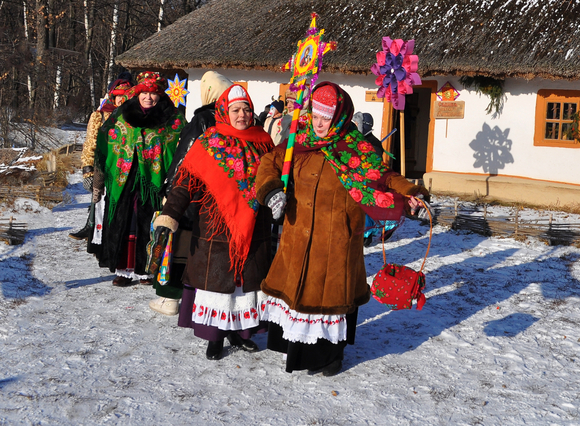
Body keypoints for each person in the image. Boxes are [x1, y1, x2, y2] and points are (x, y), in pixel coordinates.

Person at [255, 82, 428, 376]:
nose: (320, 123)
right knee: (298, 292)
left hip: (337, 237)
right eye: (316, 115)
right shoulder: (298, 140)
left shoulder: (355, 147)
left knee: (332, 297)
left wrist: (411, 191)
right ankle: (297, 351)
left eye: (326, 117)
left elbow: (384, 176)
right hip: (299, 233)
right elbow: (269, 164)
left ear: (340, 116)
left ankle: (329, 357)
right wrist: (271, 191)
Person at [155, 84, 275, 360]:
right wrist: (171, 213)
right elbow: (185, 183)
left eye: (246, 109)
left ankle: (240, 333)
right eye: (236, 110)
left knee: (246, 286)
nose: (242, 114)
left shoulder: (264, 142)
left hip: (255, 227)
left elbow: (274, 177)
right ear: (224, 111)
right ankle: (215, 338)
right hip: (216, 228)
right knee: (219, 285)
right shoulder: (208, 142)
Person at [148, 71, 234, 316]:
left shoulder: (203, 120)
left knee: (182, 246)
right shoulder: (235, 118)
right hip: (220, 198)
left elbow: (184, 158)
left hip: (194, 194)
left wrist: (172, 189)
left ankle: (170, 298)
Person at [91, 71, 186, 286]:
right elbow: (107, 137)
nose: (148, 97)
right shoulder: (123, 114)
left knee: (150, 223)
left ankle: (149, 269)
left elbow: (179, 148)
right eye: (144, 92)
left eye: (153, 94)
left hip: (154, 181)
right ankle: (123, 270)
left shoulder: (173, 119)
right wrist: (101, 173)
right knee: (125, 223)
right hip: (124, 178)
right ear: (138, 93)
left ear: (160, 95)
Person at [70, 77, 132, 240]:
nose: (121, 99)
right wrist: (88, 170)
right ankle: (91, 228)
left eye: (124, 95)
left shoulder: (134, 116)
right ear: (113, 97)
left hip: (126, 168)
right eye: (118, 95)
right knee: (98, 202)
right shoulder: (100, 116)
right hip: (103, 167)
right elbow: (90, 145)